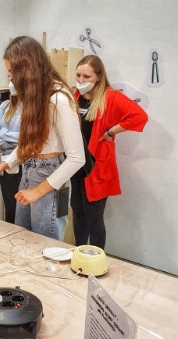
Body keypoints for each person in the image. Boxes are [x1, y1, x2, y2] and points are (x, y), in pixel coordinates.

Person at [0, 36, 85, 241]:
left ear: (26, 69)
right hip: (30, 170)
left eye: (12, 73)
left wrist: (37, 191)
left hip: (50, 175)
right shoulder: (37, 96)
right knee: (23, 239)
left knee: (47, 245)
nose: (11, 79)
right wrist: (1, 166)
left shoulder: (59, 99)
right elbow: (30, 145)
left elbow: (76, 158)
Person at [71, 55, 148, 249]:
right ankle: (79, 251)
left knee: (94, 216)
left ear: (98, 76)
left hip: (96, 164)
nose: (81, 81)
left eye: (86, 77)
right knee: (78, 212)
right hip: (76, 163)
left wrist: (111, 131)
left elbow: (139, 116)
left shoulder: (110, 97)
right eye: (78, 75)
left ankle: (97, 259)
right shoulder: (75, 95)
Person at [0, 85, 22, 223]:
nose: (12, 83)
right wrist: (13, 138)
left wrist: (4, 134)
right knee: (10, 209)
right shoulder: (5, 105)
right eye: (10, 78)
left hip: (26, 163)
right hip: (5, 163)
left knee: (23, 211)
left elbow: (27, 138)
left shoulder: (34, 107)